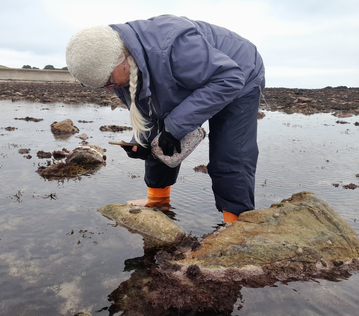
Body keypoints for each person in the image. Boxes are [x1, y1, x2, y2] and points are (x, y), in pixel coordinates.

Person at [66, 15, 265, 223]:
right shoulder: (119, 69)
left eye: (108, 81)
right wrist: (141, 142)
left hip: (239, 72)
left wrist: (174, 127)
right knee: (158, 137)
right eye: (100, 86)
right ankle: (158, 201)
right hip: (195, 73)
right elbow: (149, 118)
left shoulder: (172, 47)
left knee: (230, 150)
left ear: (121, 57)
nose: (108, 88)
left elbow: (229, 79)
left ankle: (235, 224)